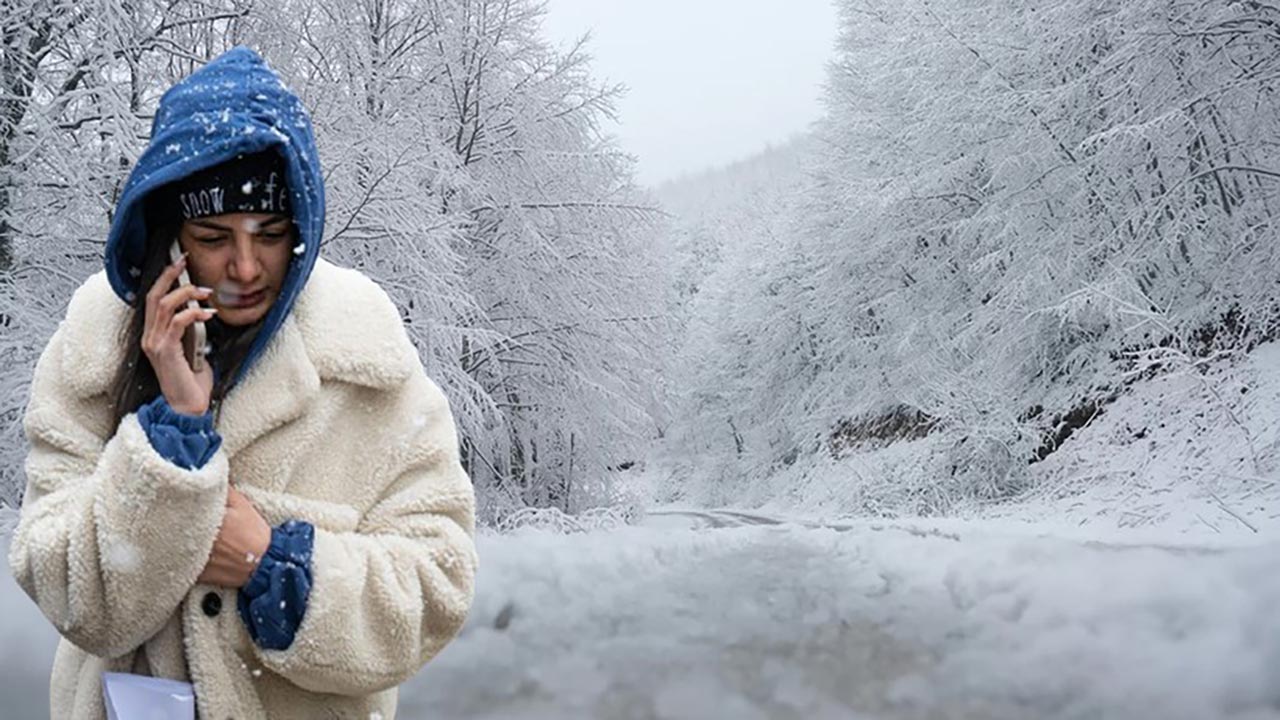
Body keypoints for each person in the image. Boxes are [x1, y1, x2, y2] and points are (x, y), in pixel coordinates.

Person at [6, 46, 478, 719]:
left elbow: (438, 583)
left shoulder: (366, 362)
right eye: (214, 234)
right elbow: (68, 592)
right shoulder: (91, 355)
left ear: (302, 231)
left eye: (271, 232)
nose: (247, 266)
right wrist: (173, 433)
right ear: (169, 235)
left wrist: (273, 565)